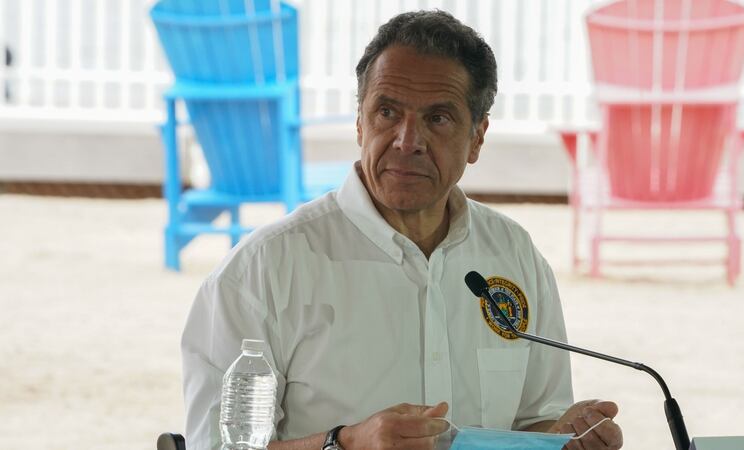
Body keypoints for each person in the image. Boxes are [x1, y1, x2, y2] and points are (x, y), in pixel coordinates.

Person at [182, 10, 623, 450]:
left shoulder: (512, 254)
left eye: (438, 118)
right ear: (360, 122)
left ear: (477, 138)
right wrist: (345, 444)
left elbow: (532, 425)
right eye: (387, 112)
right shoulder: (262, 270)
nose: (406, 140)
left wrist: (566, 438)